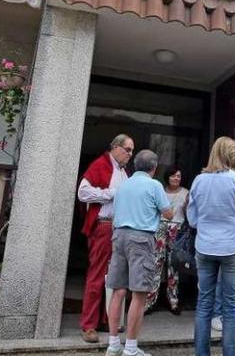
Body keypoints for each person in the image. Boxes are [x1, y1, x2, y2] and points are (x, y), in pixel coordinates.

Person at [187, 137, 235, 356]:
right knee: (231, 306)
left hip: (205, 245)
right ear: (231, 155)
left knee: (204, 303)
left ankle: (201, 353)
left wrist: (206, 226)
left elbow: (192, 218)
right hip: (232, 246)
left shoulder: (199, 180)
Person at [106, 150, 174, 356]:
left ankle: (113, 344)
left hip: (118, 236)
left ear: (135, 165)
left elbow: (114, 211)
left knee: (118, 290)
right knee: (139, 293)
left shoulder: (123, 184)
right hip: (141, 238)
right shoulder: (154, 185)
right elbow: (168, 213)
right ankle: (131, 348)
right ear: (153, 168)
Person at [78, 134, 135, 343]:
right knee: (97, 276)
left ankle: (105, 319)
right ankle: (89, 325)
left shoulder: (123, 171)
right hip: (103, 226)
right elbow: (82, 192)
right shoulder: (100, 164)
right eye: (127, 150)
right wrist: (110, 193)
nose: (130, 154)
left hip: (119, 228)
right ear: (115, 147)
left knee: (113, 278)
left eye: (131, 151)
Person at [144, 165, 189, 315]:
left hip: (178, 230)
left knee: (174, 266)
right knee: (156, 263)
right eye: (173, 175)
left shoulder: (186, 193)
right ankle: (149, 301)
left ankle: (173, 301)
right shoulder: (160, 191)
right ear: (167, 177)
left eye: (179, 176)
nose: (176, 178)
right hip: (160, 228)